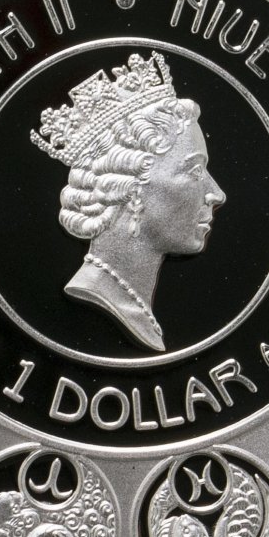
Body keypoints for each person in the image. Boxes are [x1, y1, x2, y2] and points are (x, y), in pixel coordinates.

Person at [31, 52, 225, 351]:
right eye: (194, 171)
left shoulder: (134, 301)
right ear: (131, 190)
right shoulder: (103, 296)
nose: (217, 194)